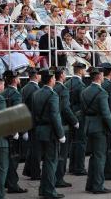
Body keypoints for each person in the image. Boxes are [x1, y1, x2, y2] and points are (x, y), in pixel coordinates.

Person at [81, 66, 111, 194]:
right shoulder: (102, 93)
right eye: (101, 75)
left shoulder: (84, 91)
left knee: (93, 157)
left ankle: (90, 184)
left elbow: (84, 111)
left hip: (89, 126)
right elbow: (106, 113)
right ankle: (98, 186)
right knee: (100, 157)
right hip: (99, 127)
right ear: (99, 76)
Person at [32, 69, 65, 198]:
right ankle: (50, 191)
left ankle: (43, 189)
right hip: (50, 132)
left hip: (40, 131)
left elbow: (34, 114)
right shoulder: (53, 95)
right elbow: (55, 116)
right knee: (51, 162)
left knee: (46, 162)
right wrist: (61, 134)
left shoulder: (36, 93)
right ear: (51, 79)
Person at [1, 70, 28, 194]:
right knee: (13, 159)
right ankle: (13, 185)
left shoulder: (3, 92)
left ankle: (7, 181)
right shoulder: (16, 94)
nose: (20, 80)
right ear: (14, 80)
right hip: (13, 131)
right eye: (18, 78)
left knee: (7, 158)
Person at [53, 67, 79, 187]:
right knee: (62, 154)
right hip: (63, 125)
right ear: (62, 75)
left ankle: (55, 177)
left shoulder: (53, 87)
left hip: (54, 124)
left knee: (55, 154)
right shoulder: (63, 89)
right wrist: (74, 121)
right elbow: (65, 109)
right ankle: (59, 179)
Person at [65, 62, 88, 176]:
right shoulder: (81, 85)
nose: (85, 72)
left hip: (70, 114)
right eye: (84, 70)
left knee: (73, 141)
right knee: (80, 142)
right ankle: (79, 167)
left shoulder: (68, 83)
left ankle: (72, 166)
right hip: (79, 115)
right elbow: (83, 102)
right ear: (80, 71)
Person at [21, 67, 42, 180]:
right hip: (33, 122)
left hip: (27, 121)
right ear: (36, 76)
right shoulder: (35, 89)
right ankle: (35, 172)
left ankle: (29, 170)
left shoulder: (25, 88)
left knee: (32, 148)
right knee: (36, 150)